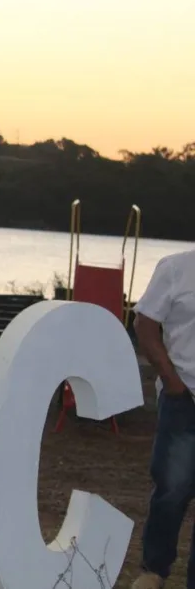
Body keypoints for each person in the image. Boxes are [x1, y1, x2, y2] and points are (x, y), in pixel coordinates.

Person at [129, 248, 195, 589]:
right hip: (185, 398)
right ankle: (154, 570)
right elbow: (145, 324)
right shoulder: (176, 268)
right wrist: (172, 382)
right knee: (172, 488)